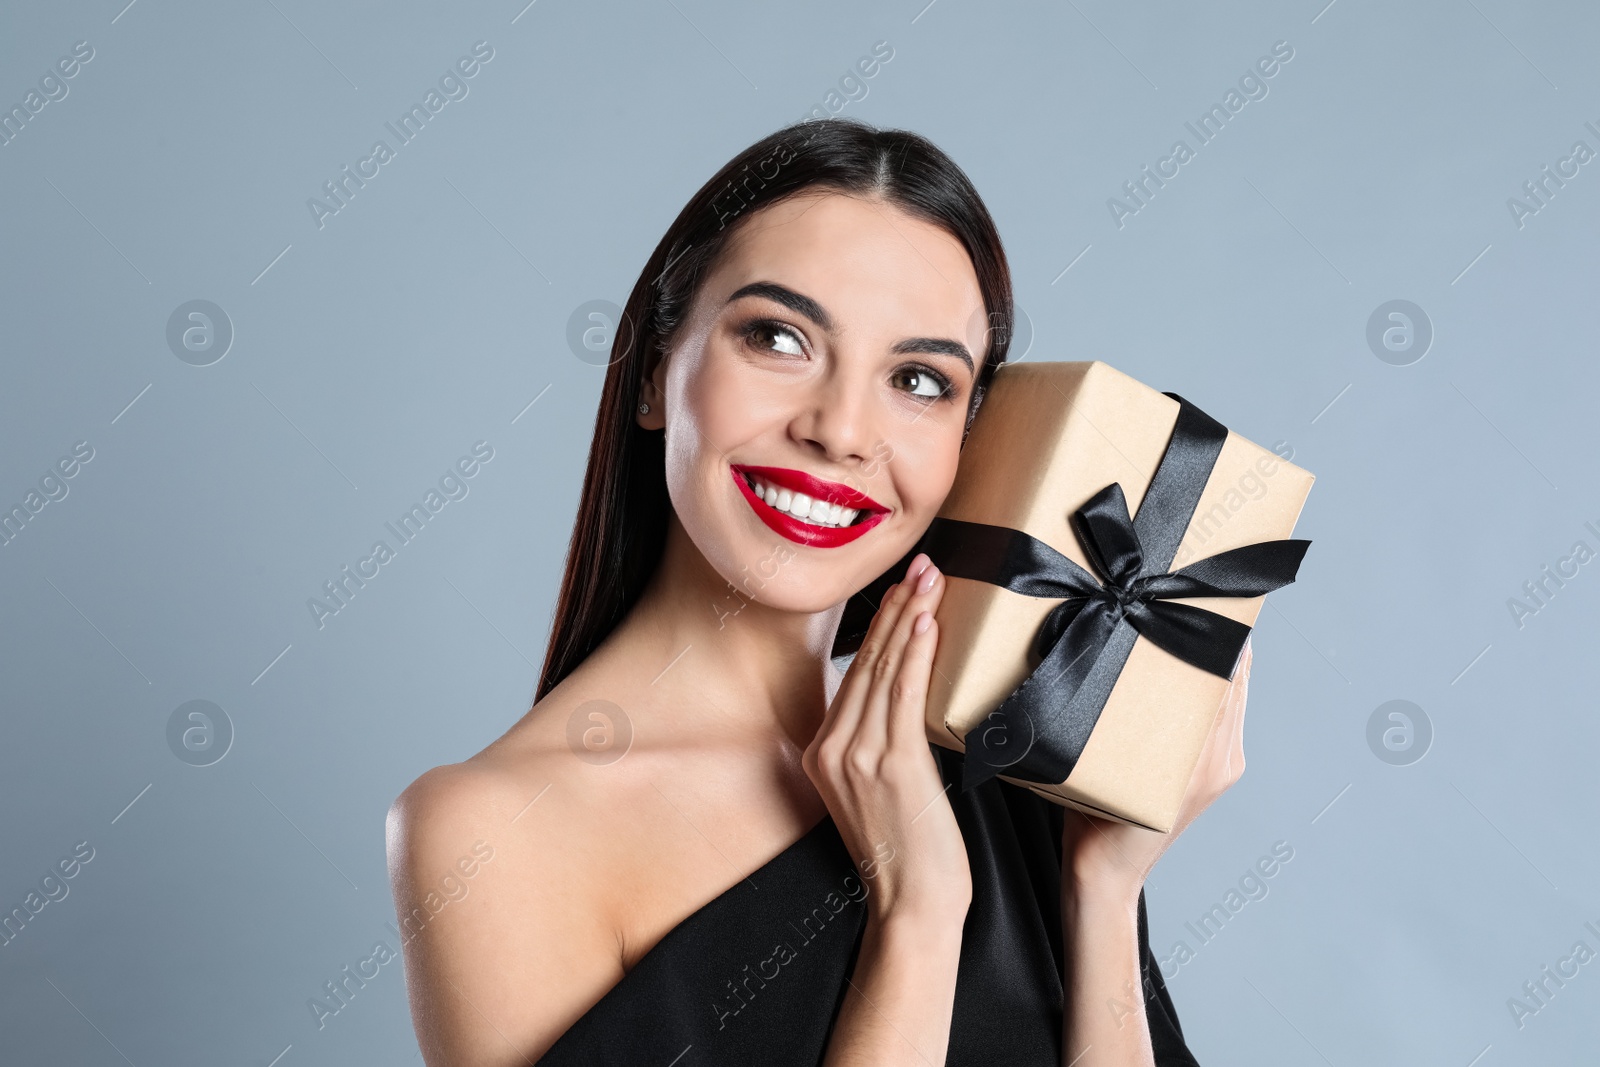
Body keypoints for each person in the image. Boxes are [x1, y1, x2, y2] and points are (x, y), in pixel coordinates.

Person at [386, 116, 1248, 1066]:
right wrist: (916, 916)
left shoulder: (999, 760)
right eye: (779, 337)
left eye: (918, 379)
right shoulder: (491, 833)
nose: (842, 429)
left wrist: (1104, 889)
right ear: (653, 375)